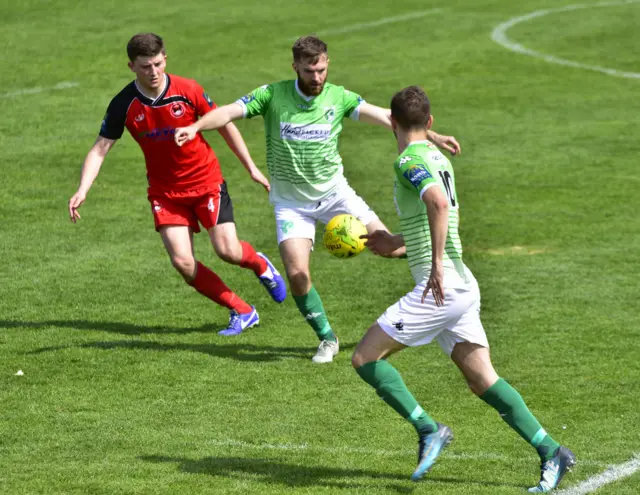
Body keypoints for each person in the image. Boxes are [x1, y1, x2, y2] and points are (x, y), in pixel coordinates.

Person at [174, 36, 461, 363]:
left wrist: (431, 133)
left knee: (393, 246)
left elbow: (385, 117)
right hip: (291, 204)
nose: (317, 77)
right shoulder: (272, 95)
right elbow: (228, 111)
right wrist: (197, 126)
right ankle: (327, 338)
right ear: (295, 66)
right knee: (297, 274)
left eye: (322, 69)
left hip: (335, 194)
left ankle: (442, 275)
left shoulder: (338, 97)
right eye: (310, 71)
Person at [352, 86, 575, 492]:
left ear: (394, 124)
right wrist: (396, 244)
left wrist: (433, 266)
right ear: (431, 123)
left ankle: (427, 428)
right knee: (482, 380)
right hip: (460, 285)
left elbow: (437, 205)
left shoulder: (408, 160)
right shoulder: (437, 157)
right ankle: (552, 451)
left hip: (440, 288)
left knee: (365, 357)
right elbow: (434, 219)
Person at [68, 33, 286, 335]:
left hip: (206, 182)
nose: (153, 72)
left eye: (157, 64)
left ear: (165, 59)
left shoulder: (188, 90)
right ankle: (242, 310)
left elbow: (224, 124)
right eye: (145, 67)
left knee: (227, 251)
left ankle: (260, 265)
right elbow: (100, 148)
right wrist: (83, 189)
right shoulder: (124, 104)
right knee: (183, 263)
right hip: (165, 192)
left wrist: (251, 168)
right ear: (132, 66)